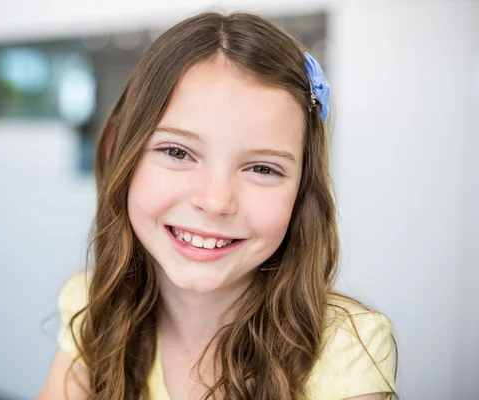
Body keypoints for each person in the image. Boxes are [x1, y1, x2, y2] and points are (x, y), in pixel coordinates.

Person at [38, 11, 397, 400]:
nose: (214, 201)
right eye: (177, 151)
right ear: (118, 151)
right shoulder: (94, 301)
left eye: (262, 167)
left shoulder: (347, 349)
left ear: (302, 192)